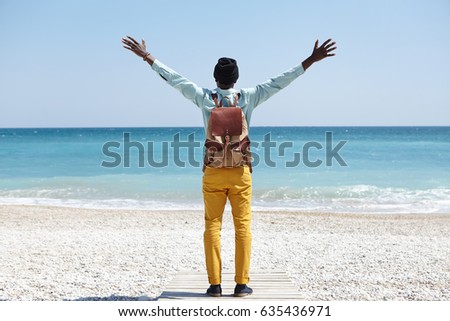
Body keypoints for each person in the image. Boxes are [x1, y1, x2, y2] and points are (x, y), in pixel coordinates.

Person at [122, 36, 336, 297]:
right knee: (242, 226)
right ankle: (241, 284)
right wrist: (311, 60)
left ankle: (214, 285)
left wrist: (148, 57)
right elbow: (280, 81)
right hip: (240, 172)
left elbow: (175, 80)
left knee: (212, 225)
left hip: (212, 173)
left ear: (215, 78)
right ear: (236, 78)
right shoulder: (250, 96)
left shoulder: (204, 98)